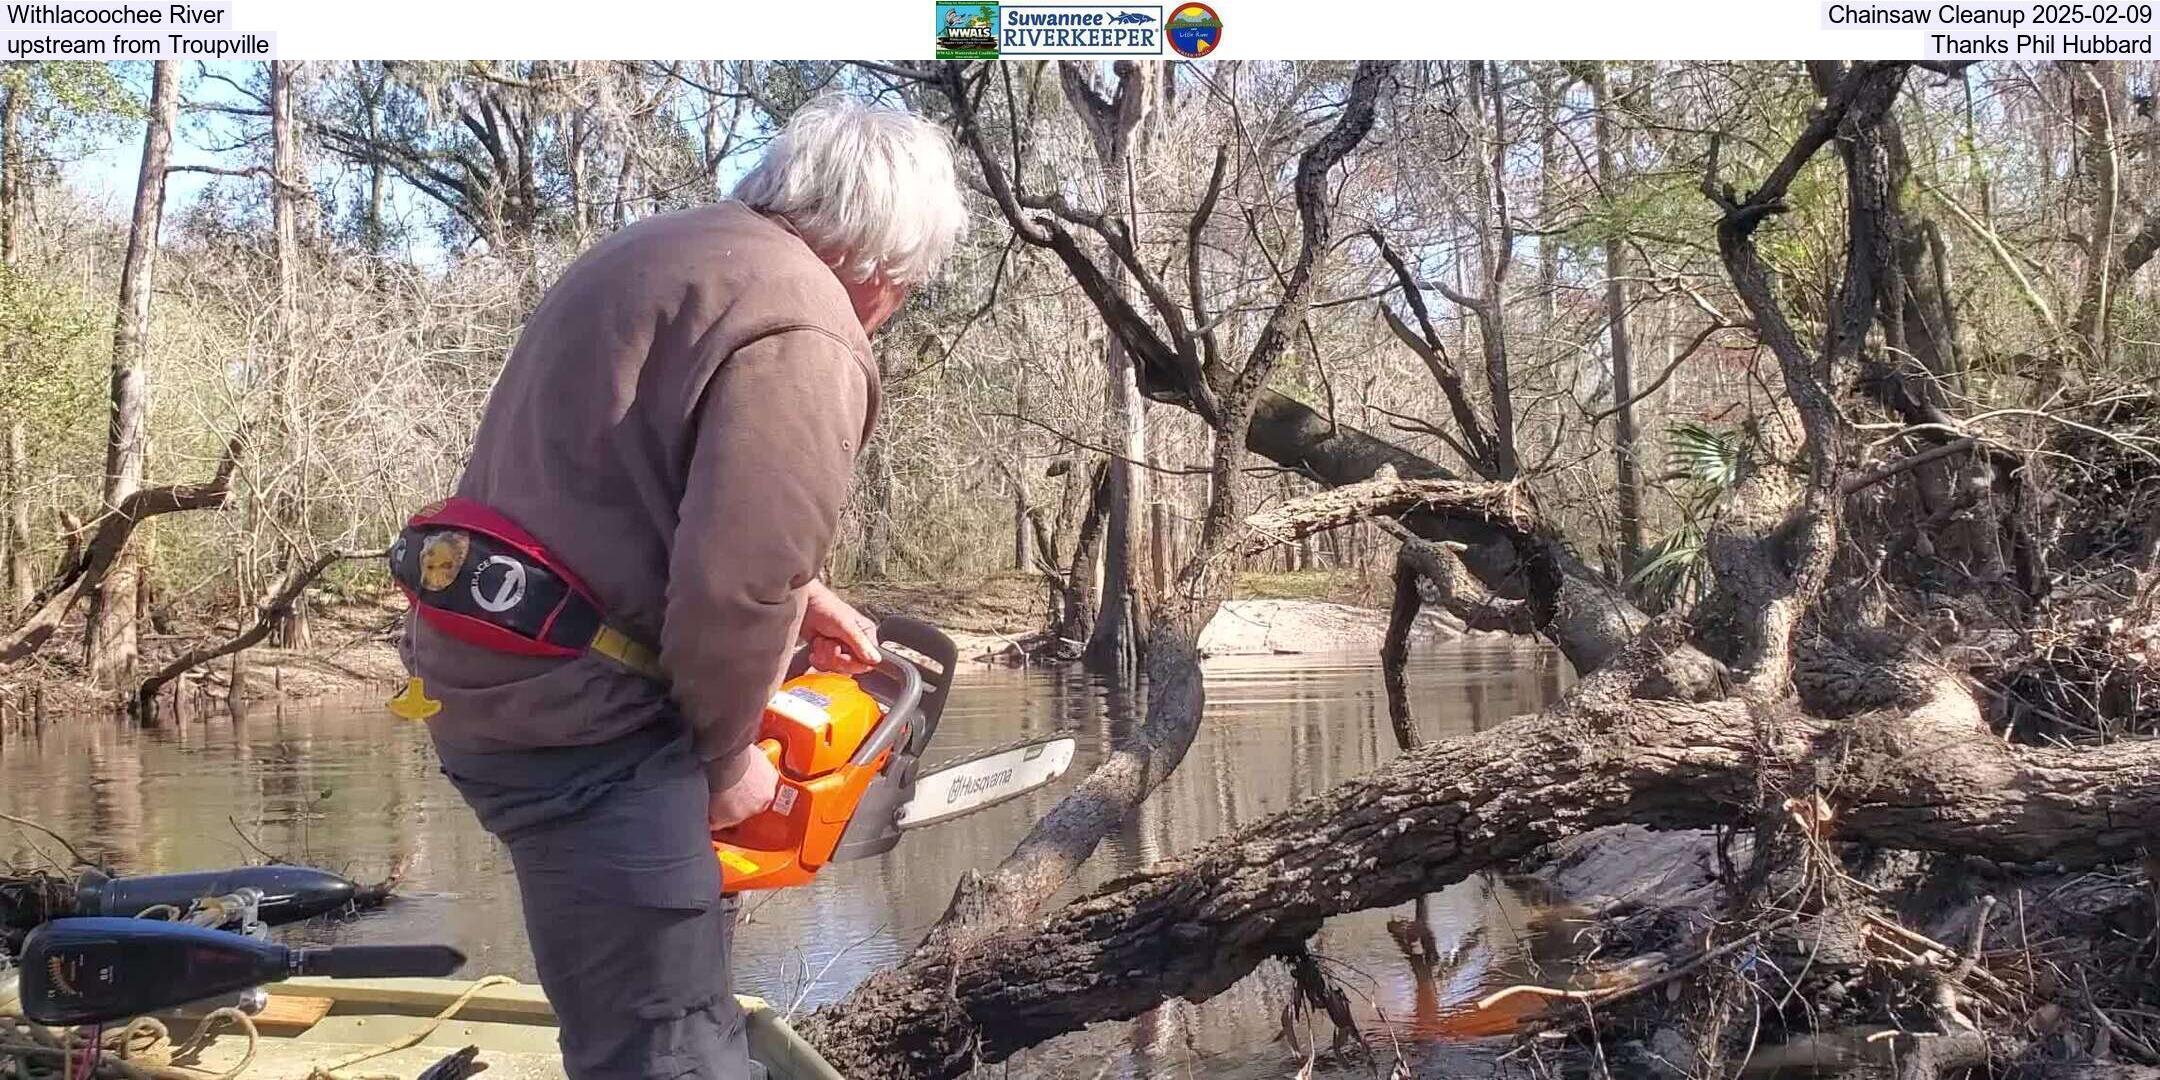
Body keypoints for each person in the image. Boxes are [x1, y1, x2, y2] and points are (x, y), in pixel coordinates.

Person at [395, 98, 968, 1080]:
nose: (890, 309)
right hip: (584, 722)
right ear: (880, 267)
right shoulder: (807, 325)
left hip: (491, 679)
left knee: (652, 1010)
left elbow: (620, 489)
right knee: (668, 1050)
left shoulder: (666, 254)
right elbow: (739, 583)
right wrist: (728, 754)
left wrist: (805, 596)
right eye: (904, 288)